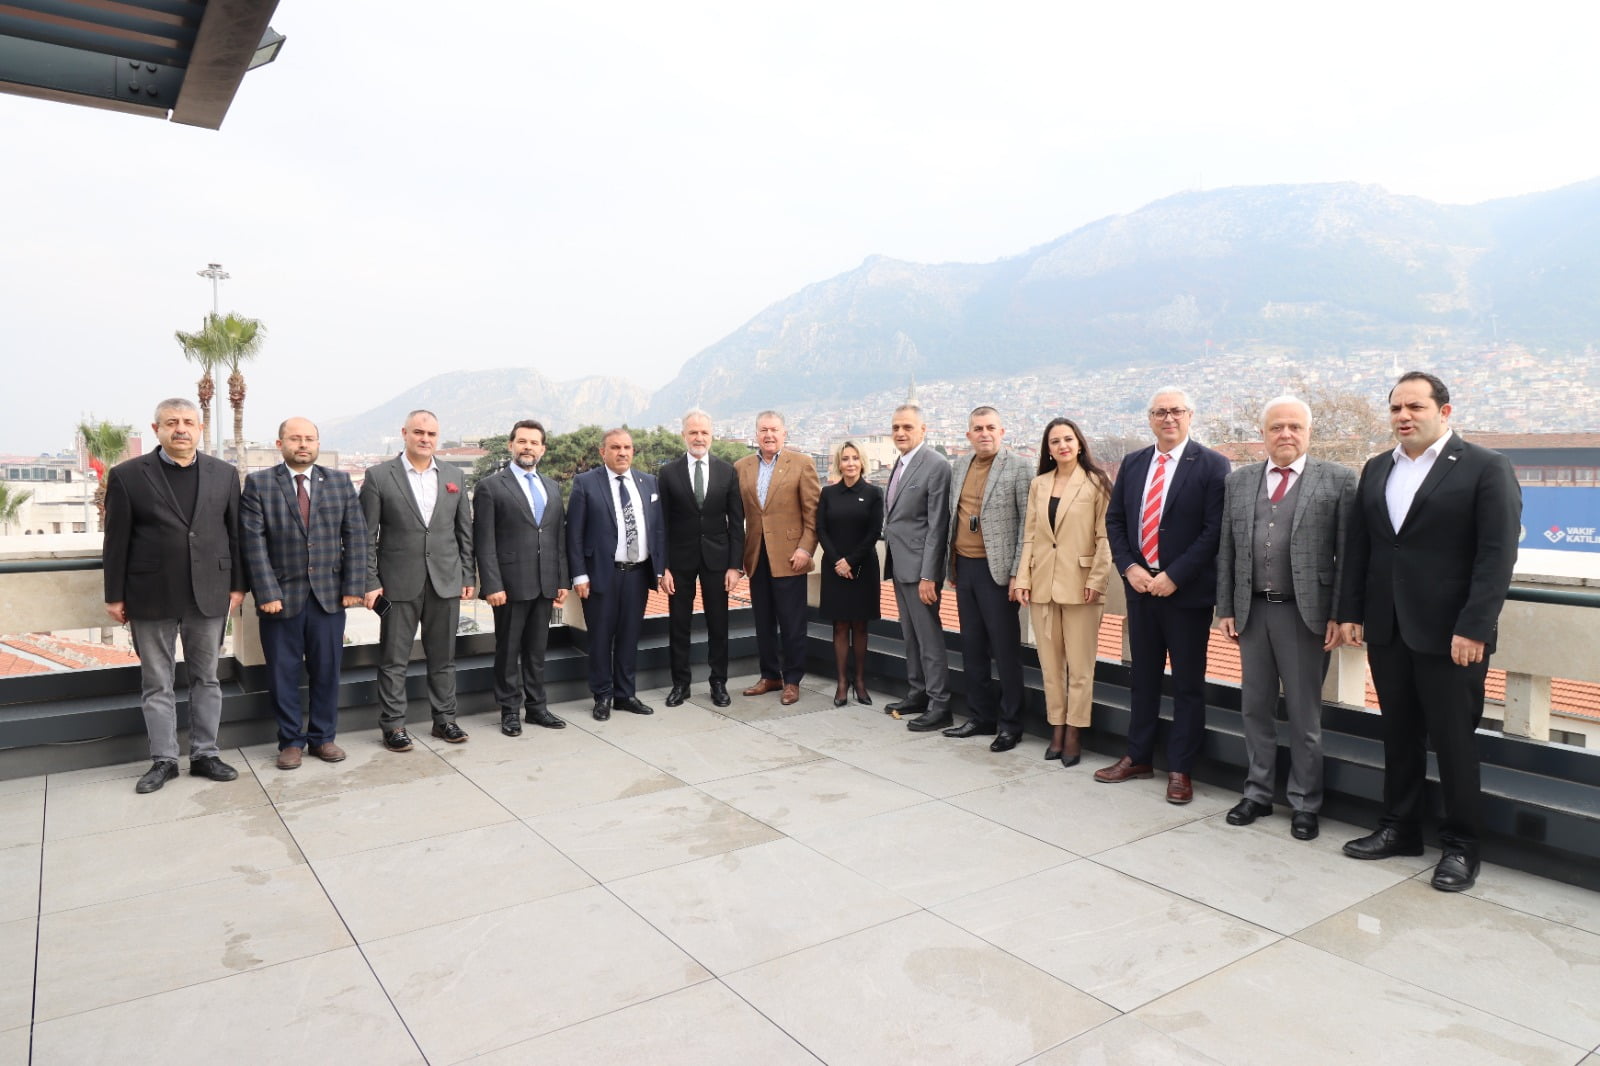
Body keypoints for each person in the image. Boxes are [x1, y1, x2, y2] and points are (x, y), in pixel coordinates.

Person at [1337, 372, 1520, 892]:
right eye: (1395, 407)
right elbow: (1363, 549)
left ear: (1445, 410)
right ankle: (1399, 828)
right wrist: (1351, 611)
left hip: (1451, 637)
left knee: (1454, 742)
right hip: (1388, 629)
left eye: (1414, 406)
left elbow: (1496, 555)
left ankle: (1462, 848)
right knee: (1398, 734)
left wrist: (1475, 627)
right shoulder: (1376, 469)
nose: (1402, 416)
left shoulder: (1487, 468)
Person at [1216, 397, 1357, 840]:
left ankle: (1304, 802)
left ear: (1309, 432)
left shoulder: (1336, 480)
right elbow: (1228, 550)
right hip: (1252, 612)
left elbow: (1348, 555)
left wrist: (1341, 614)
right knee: (1254, 708)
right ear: (1263, 434)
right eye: (1277, 427)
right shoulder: (1238, 482)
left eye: (1295, 426)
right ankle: (1257, 792)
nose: (1286, 434)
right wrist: (1225, 608)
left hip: (1305, 615)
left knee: (1303, 714)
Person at [103, 397, 245, 793]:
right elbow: (116, 540)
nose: (180, 428)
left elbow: (236, 534)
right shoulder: (128, 475)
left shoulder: (224, 473)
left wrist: (238, 584)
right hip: (150, 594)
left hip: (210, 594)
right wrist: (114, 594)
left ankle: (205, 754)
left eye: (187, 422)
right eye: (171, 422)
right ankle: (164, 760)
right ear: (157, 430)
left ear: (199, 429)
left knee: (207, 678)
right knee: (157, 682)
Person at [1094, 387, 1229, 803]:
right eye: (1159, 412)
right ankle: (1137, 756)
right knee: (1143, 679)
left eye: (1175, 411)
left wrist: (1175, 575)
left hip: (1185, 594)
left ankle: (1181, 768)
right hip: (1139, 589)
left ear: (1190, 415)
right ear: (1149, 418)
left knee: (1187, 684)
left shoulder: (1212, 465)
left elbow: (1213, 532)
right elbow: (1115, 521)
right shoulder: (1133, 463)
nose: (1168, 418)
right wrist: (1130, 568)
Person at [241, 417, 368, 770]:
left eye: (309, 439)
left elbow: (356, 537)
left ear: (317, 443)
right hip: (279, 598)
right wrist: (266, 591)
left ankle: (323, 738)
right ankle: (291, 741)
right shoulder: (259, 483)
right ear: (280, 442)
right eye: (295, 438)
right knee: (282, 674)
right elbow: (253, 543)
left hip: (329, 597)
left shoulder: (340, 482)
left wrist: (353, 588)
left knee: (327, 671)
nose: (303, 444)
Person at [360, 409, 476, 751]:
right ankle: (393, 726)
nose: (425, 439)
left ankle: (445, 720)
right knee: (394, 659)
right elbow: (366, 536)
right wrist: (370, 580)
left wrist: (468, 574)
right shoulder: (379, 476)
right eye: (418, 432)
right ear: (404, 433)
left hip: (445, 580)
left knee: (444, 656)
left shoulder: (454, 475)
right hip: (397, 583)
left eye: (431, 434)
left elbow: (464, 531)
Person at [1013, 417, 1113, 766]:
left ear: (1080, 443)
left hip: (1082, 585)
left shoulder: (1097, 482)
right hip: (1042, 584)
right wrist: (1022, 578)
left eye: (1068, 439)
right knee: (1050, 665)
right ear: (1048, 449)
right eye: (1054, 441)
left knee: (1081, 666)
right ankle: (1055, 725)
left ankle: (1074, 731)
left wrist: (1096, 580)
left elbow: (1105, 537)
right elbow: (1030, 535)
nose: (1062, 446)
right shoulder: (1039, 484)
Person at [941, 406, 1031, 751]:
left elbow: (1027, 525)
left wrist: (1016, 574)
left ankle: (1010, 724)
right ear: (968, 435)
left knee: (1005, 651)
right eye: (977, 428)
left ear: (1003, 431)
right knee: (972, 646)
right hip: (964, 567)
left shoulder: (1020, 467)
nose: (984, 433)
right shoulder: (960, 466)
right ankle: (980, 716)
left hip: (999, 572)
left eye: (990, 427)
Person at [473, 419, 569, 737]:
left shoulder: (552, 487)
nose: (528, 447)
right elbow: (483, 541)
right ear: (511, 445)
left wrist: (562, 580)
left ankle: (537, 708)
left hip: (545, 584)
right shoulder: (491, 487)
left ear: (542, 449)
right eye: (522, 441)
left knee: (537, 651)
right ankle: (510, 711)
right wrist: (492, 584)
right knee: (508, 649)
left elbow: (558, 538)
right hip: (509, 586)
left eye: (534, 442)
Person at [567, 428, 667, 721]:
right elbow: (573, 534)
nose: (622, 452)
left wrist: (659, 569)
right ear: (603, 452)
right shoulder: (585, 483)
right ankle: (602, 695)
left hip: (637, 574)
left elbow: (658, 529)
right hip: (600, 574)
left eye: (627, 447)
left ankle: (626, 694)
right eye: (615, 447)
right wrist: (578, 575)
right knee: (600, 638)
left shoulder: (648, 482)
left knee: (629, 636)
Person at [658, 409, 744, 708]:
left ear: (711, 435)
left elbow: (736, 522)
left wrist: (735, 565)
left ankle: (718, 682)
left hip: (718, 561)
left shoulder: (727, 471)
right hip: (679, 561)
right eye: (693, 432)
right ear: (684, 435)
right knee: (678, 624)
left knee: (718, 624)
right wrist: (663, 566)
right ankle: (680, 684)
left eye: (704, 432)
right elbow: (662, 524)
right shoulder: (668, 473)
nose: (698, 437)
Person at [735, 410, 821, 706]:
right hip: (756, 557)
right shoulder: (741, 467)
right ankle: (770, 675)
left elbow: (813, 514)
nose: (768, 435)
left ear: (785, 433)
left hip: (790, 557)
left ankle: (792, 680)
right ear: (755, 434)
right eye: (763, 430)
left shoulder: (801, 464)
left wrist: (805, 549)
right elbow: (737, 517)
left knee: (792, 622)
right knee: (762, 622)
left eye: (774, 429)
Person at [881, 403, 954, 732]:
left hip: (921, 570)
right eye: (896, 427)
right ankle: (918, 692)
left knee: (929, 638)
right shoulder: (899, 463)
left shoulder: (936, 465)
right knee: (910, 635)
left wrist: (929, 575)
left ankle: (940, 704)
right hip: (899, 564)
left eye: (908, 427)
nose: (900, 433)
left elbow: (938, 525)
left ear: (923, 430)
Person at [817, 440, 882, 706]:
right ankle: (842, 683)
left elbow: (874, 533)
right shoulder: (828, 494)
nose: (851, 463)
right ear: (839, 463)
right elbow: (821, 530)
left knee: (861, 625)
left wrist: (850, 562)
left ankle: (861, 682)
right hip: (834, 568)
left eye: (855, 458)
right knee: (840, 625)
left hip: (863, 567)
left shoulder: (874, 493)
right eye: (845, 459)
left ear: (862, 461)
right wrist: (837, 562)